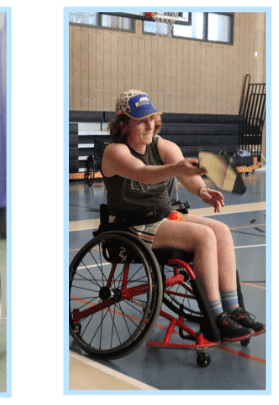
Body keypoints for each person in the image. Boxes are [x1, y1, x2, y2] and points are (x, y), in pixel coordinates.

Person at [101, 89, 265, 340]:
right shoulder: (115, 152)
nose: (150, 125)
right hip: (133, 226)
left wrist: (203, 190)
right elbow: (144, 173)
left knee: (220, 230)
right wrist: (176, 167)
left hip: (165, 217)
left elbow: (186, 175)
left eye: (152, 118)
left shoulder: (163, 145)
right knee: (203, 237)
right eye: (141, 120)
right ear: (124, 125)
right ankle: (215, 320)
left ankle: (234, 310)